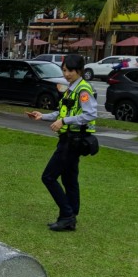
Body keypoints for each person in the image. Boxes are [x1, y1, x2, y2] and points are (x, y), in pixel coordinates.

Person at [26, 53, 97, 231]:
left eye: (71, 71)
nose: (67, 74)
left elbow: (90, 114)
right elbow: (61, 113)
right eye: (64, 70)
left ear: (79, 71)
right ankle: (70, 217)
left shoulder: (83, 90)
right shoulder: (71, 88)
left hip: (73, 141)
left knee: (48, 177)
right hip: (68, 139)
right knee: (69, 179)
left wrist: (64, 122)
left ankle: (67, 215)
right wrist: (42, 116)